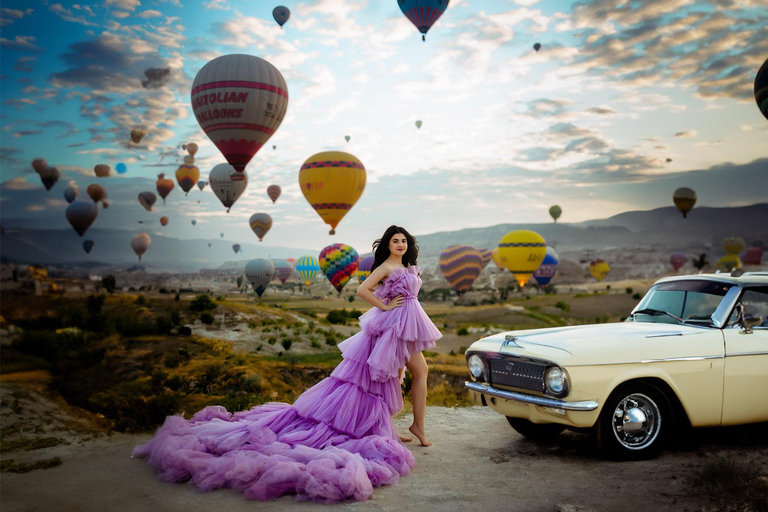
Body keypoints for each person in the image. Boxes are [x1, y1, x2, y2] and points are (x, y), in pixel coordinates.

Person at [132, 225, 441, 503]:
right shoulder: (387, 266)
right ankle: (418, 427)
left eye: (404, 240)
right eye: (395, 240)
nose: (400, 244)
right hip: (391, 325)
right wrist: (386, 305)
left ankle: (388, 426)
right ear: (387, 244)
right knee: (405, 374)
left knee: (391, 376)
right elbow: (362, 290)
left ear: (408, 244)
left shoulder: (408, 266)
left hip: (407, 323)